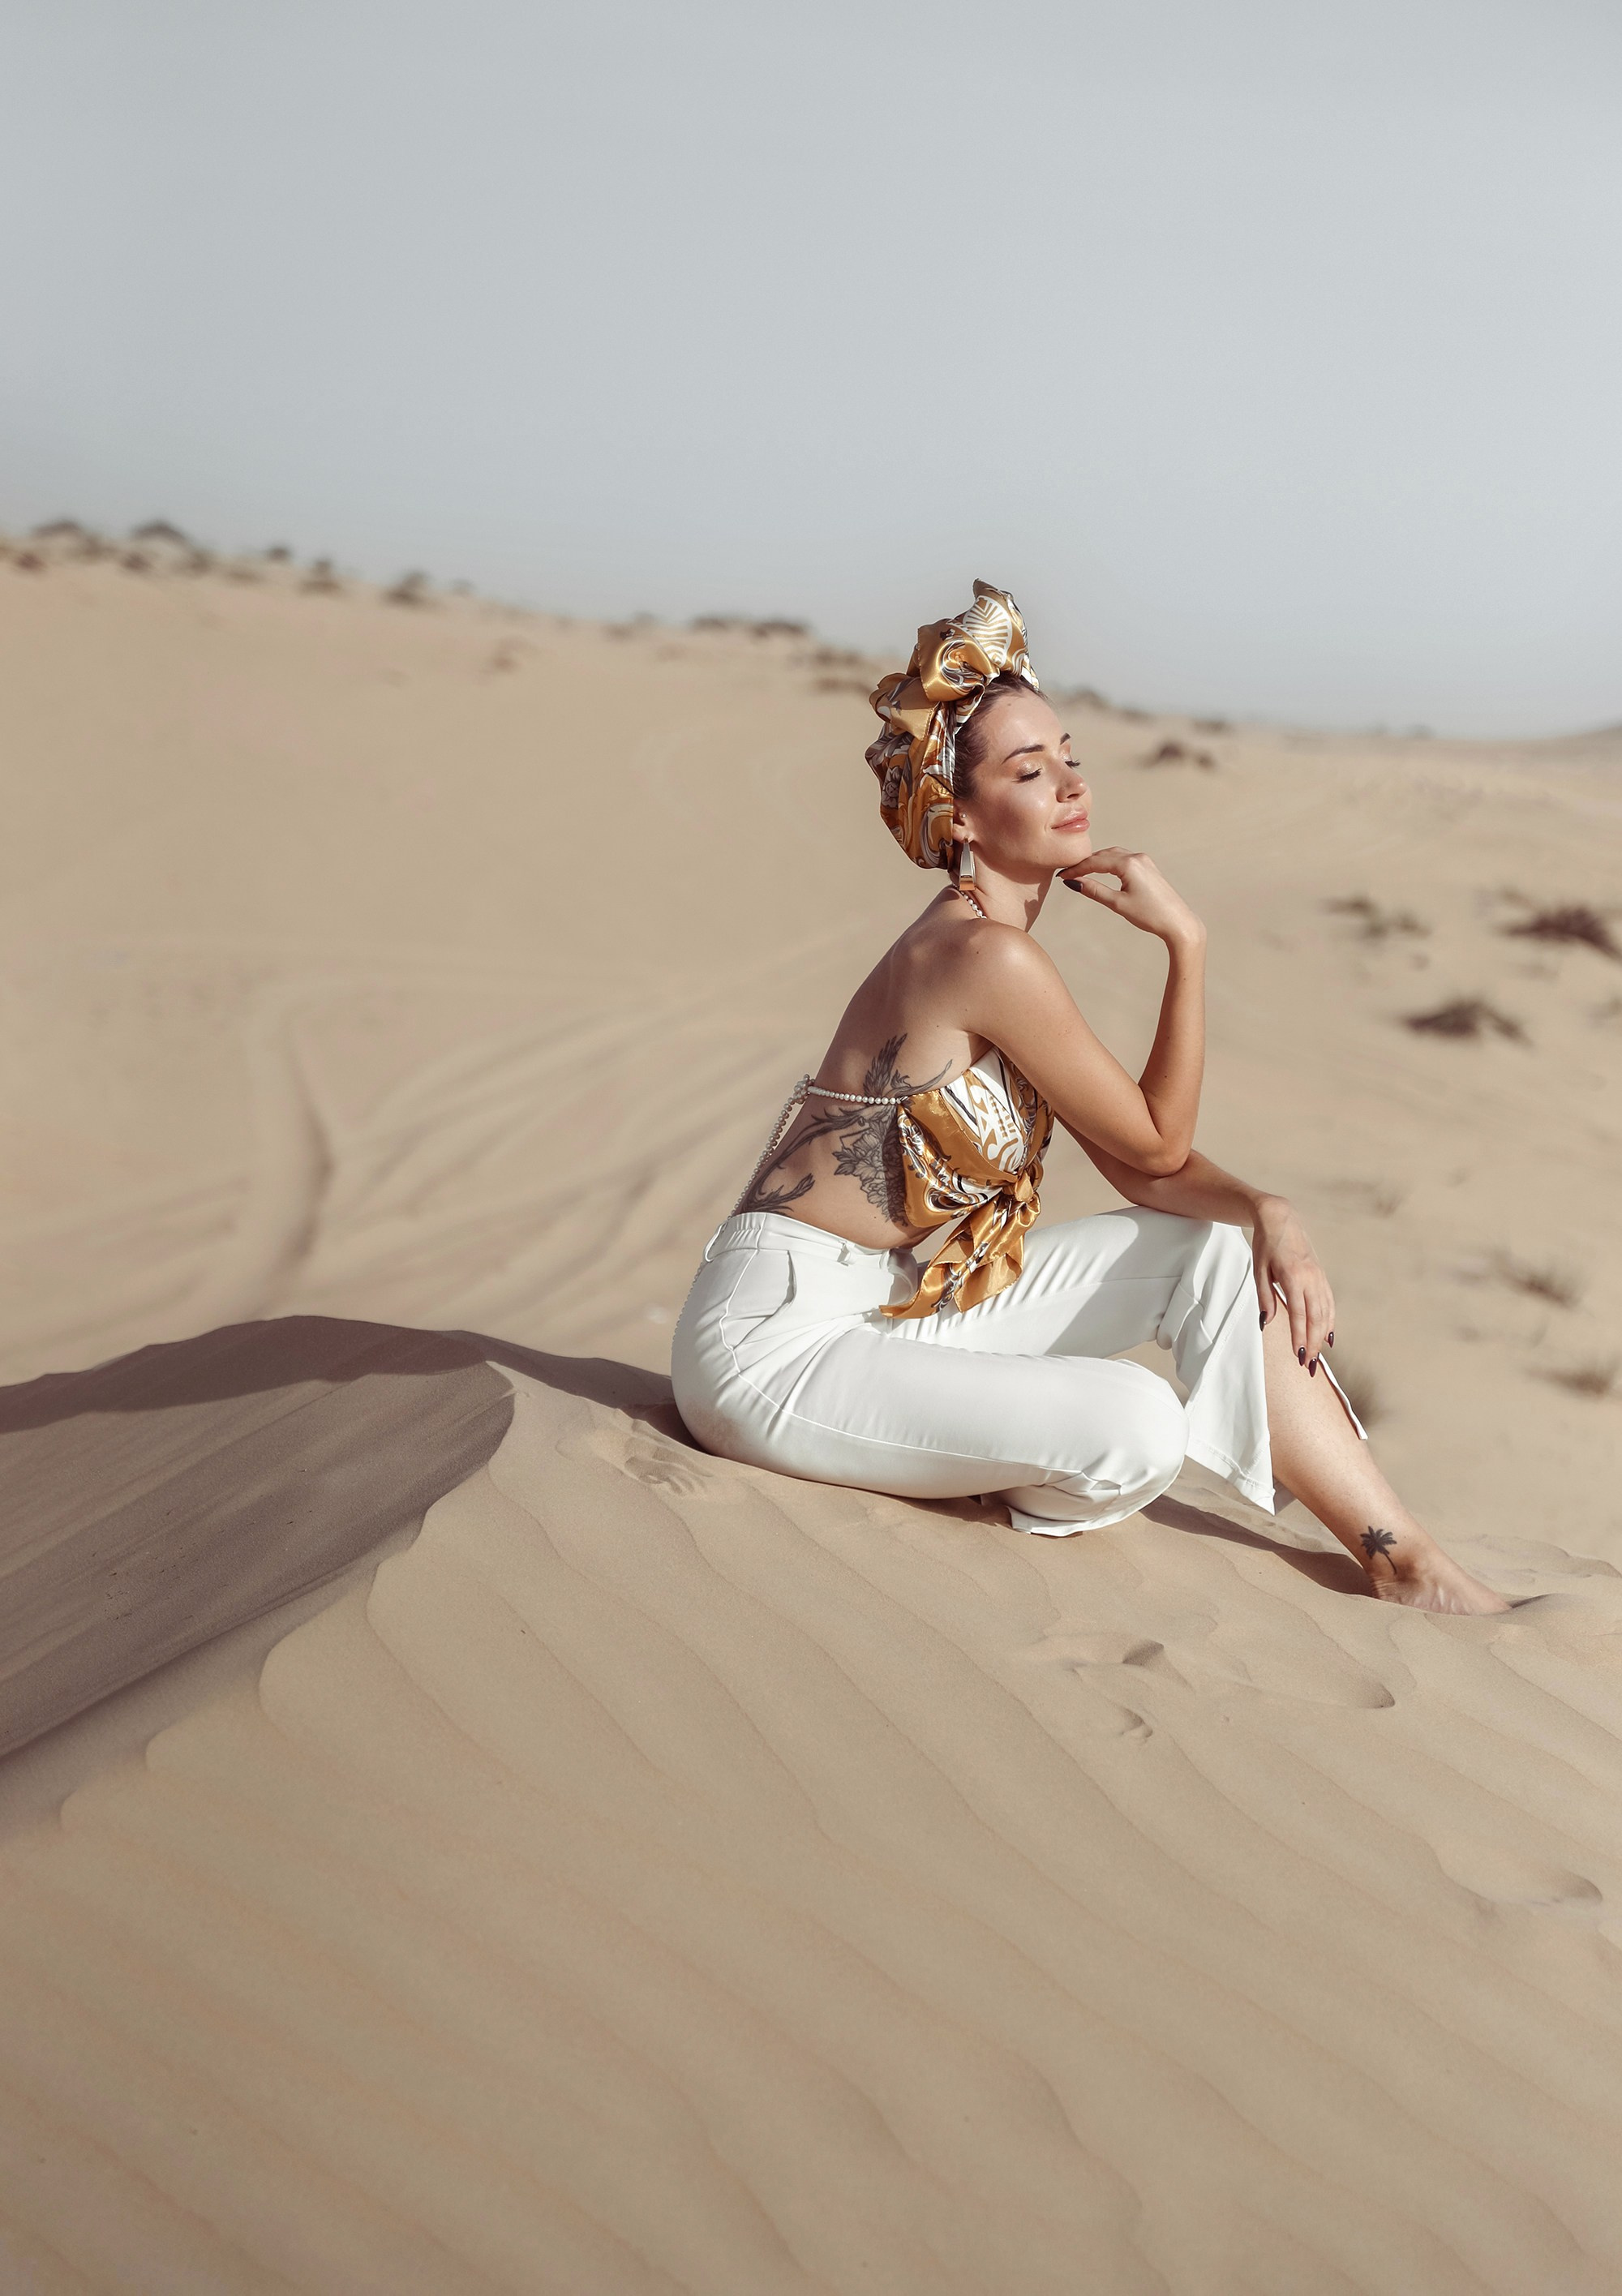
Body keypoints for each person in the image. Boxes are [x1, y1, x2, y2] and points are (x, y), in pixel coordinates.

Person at [672, 582, 1508, 1614]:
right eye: (1029, 770)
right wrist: (1186, 946)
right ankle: (958, 1457)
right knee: (1137, 1423)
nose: (1069, 783)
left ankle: (1405, 1561)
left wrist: (1261, 1215)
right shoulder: (981, 955)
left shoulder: (994, 947)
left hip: (881, 1309)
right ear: (961, 814)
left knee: (1206, 1252)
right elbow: (1158, 1149)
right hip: (774, 1346)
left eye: (1068, 754)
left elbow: (1137, 1167)